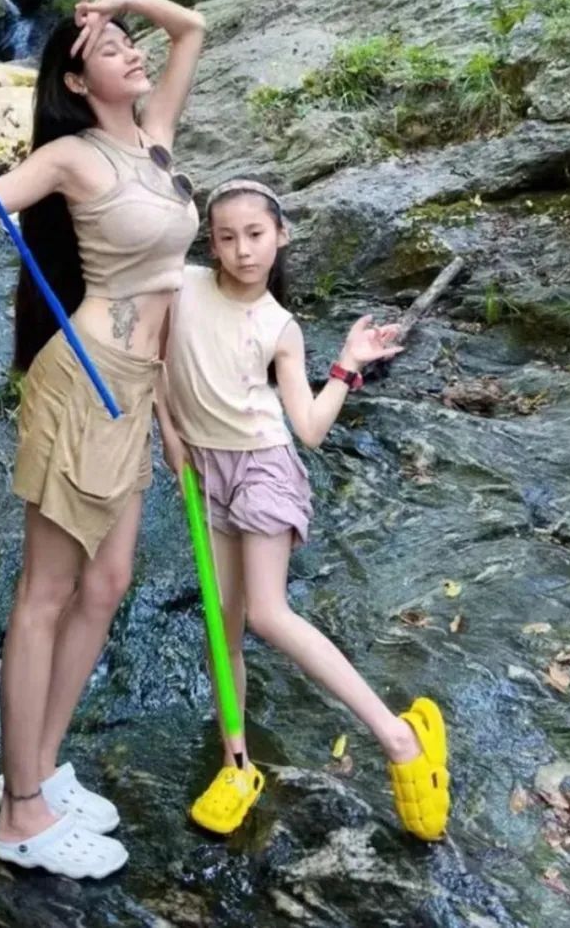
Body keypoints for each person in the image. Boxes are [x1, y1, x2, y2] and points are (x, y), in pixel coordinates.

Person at [0, 0, 205, 880]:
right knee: (46, 593)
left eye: (127, 41)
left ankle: (35, 768)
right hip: (83, 382)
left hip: (137, 389)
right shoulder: (72, 155)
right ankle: (20, 815)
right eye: (111, 47)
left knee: (107, 584)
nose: (133, 50)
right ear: (76, 82)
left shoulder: (154, 139)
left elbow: (192, 27)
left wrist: (118, 2)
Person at [156, 177, 450, 842]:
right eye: (227, 237)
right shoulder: (181, 285)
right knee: (222, 627)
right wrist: (168, 435)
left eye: (255, 234)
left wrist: (346, 365)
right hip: (205, 470)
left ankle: (398, 736)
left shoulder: (279, 327)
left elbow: (310, 429)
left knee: (266, 613)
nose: (242, 249)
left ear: (281, 236)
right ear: (210, 243)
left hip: (263, 466)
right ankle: (237, 765)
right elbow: (151, 357)